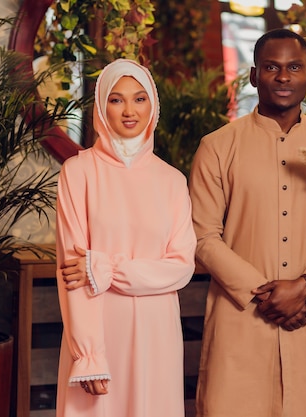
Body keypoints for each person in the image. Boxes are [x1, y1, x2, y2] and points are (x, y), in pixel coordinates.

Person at [188, 28, 306, 417]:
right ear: (254, 76)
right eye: (272, 67)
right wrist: (264, 294)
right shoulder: (216, 147)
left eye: (294, 67)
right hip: (239, 321)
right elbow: (203, 236)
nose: (284, 77)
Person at [54, 58, 196, 417]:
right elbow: (72, 272)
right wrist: (88, 356)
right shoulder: (78, 172)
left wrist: (104, 267)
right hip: (100, 328)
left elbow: (180, 268)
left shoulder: (172, 181)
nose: (129, 111)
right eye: (116, 100)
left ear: (153, 105)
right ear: (102, 106)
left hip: (156, 331)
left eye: (139, 99)